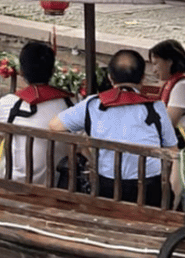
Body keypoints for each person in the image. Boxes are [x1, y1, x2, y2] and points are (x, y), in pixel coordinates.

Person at [49, 50, 178, 207]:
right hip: (150, 190)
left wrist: (85, 144)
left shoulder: (92, 104)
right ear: (143, 78)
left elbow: (54, 126)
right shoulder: (156, 108)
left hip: (107, 187)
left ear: (110, 78)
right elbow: (173, 151)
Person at [0, 41, 73, 185]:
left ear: (21, 71)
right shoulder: (69, 105)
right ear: (53, 71)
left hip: (12, 179)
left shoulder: (8, 103)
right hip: (53, 182)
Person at [149, 39, 185, 150]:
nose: (153, 70)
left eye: (156, 64)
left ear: (169, 61)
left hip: (184, 141)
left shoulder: (183, 86)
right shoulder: (178, 82)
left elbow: (168, 123)